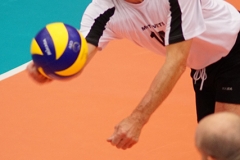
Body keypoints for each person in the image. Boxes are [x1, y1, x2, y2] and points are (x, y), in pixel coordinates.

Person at [27, 0, 240, 150]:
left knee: (228, 142)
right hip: (203, 67)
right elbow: (79, 55)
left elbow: (176, 61)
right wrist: (49, 67)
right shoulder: (103, 9)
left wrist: (138, 119)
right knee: (216, 147)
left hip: (234, 45)